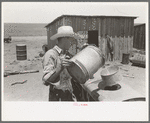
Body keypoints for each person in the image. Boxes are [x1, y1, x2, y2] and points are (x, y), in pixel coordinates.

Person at [42, 26, 81, 101]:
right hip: (57, 97)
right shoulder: (51, 54)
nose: (73, 42)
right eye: (71, 39)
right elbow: (45, 81)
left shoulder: (68, 55)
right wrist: (59, 68)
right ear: (64, 38)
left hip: (69, 95)